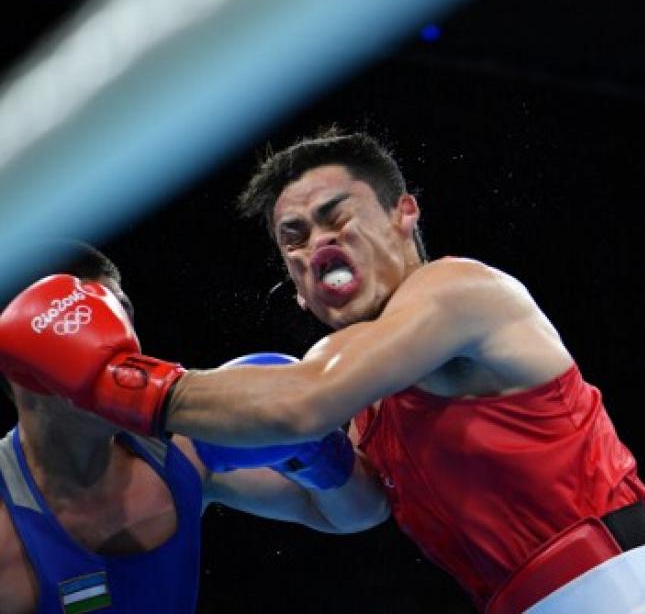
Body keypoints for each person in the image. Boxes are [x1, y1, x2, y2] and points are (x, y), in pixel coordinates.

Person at [0, 130, 645, 613]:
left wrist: (109, 379)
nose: (318, 244)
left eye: (335, 217)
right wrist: (323, 465)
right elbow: (356, 504)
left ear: (404, 213)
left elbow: (299, 403)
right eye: (294, 238)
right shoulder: (367, 400)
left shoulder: (460, 292)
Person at [0, 241, 388, 614]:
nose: (118, 347)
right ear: (19, 362)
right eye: (81, 326)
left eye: (119, 316)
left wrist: (312, 445)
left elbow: (357, 512)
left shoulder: (179, 447)